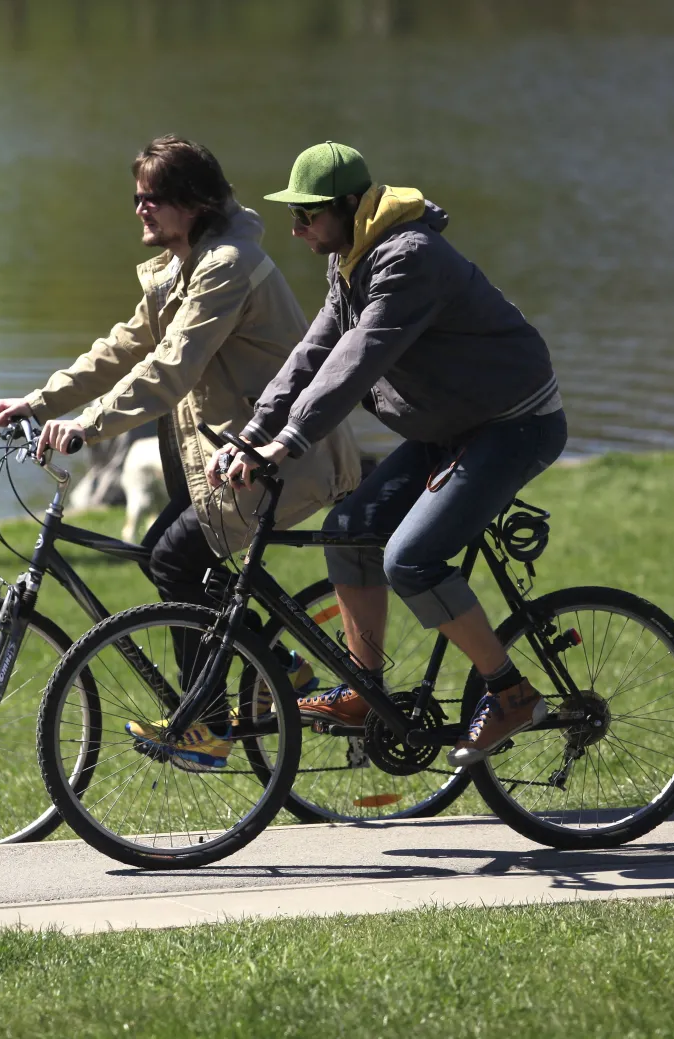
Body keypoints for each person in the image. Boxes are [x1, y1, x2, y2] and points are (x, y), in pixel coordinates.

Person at [0, 135, 362, 769]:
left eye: (154, 198)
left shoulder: (226, 267)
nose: (140, 208)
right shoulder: (182, 265)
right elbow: (125, 345)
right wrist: (41, 402)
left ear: (194, 203)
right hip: (227, 464)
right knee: (166, 552)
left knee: (172, 558)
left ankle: (208, 725)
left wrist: (87, 426)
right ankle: (280, 670)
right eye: (137, 197)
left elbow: (170, 368)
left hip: (273, 461)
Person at [216, 141, 568, 767]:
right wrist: (252, 432)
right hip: (451, 428)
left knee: (410, 559)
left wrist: (291, 440)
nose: (297, 229)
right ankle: (364, 687)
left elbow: (357, 362)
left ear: (352, 206)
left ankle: (509, 692)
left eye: (308, 215)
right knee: (350, 531)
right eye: (293, 216)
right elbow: (313, 355)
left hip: (513, 424)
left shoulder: (409, 259)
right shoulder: (350, 261)